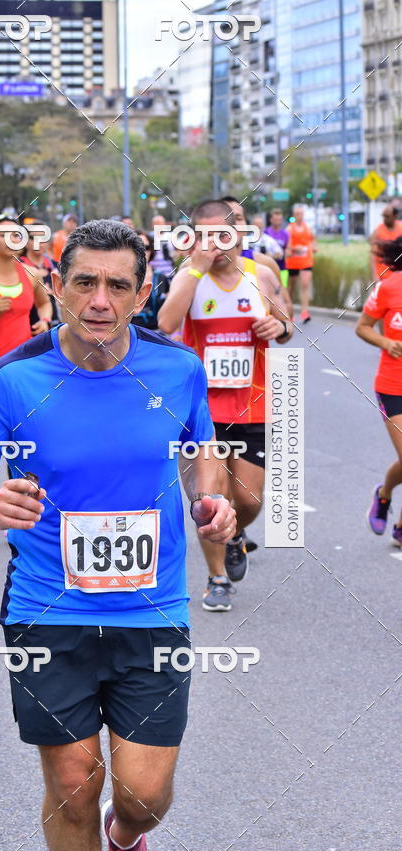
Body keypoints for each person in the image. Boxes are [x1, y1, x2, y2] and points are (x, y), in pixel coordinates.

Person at [0, 219, 236, 851]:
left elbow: (200, 448)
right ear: (56, 286)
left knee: (143, 795)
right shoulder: (15, 380)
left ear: (142, 294)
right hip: (48, 609)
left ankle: (125, 837)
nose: (100, 301)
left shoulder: (178, 369)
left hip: (151, 609)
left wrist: (211, 500)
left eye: (118, 286)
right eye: (84, 282)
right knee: (74, 782)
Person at [158, 199, 292, 609]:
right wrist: (195, 269)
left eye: (222, 234)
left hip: (251, 404)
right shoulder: (189, 275)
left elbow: (287, 324)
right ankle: (217, 579)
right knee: (210, 498)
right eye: (204, 236)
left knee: (248, 500)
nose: (214, 244)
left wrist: (278, 324)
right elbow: (165, 323)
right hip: (200, 409)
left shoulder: (261, 273)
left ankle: (235, 535)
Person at [356, 235, 402, 546]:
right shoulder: (389, 286)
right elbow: (362, 326)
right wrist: (386, 342)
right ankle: (384, 494)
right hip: (393, 386)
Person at [0, 216, 53, 373]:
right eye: (3, 235)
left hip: (24, 365)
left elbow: (44, 303)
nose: (11, 240)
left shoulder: (32, 274)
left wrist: (45, 320)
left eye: (16, 235)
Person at [130, 229, 170, 331]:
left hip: (156, 333)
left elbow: (171, 310)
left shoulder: (161, 278)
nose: (143, 252)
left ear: (151, 250)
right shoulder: (120, 278)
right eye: (137, 247)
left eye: (146, 248)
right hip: (127, 333)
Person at [286, 204, 317, 323]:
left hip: (306, 261)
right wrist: (295, 248)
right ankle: (290, 312)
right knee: (292, 288)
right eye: (297, 214)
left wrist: (314, 247)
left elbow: (313, 240)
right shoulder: (289, 229)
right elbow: (287, 246)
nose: (299, 216)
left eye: (301, 214)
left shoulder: (308, 228)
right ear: (294, 215)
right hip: (293, 262)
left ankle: (305, 312)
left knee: (305, 285)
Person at [369, 204, 402, 282]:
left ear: (395, 216)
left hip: (398, 276)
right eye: (383, 216)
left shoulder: (401, 229)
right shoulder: (377, 231)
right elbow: (373, 255)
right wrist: (374, 275)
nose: (384, 218)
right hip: (382, 276)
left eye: (387, 216)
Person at [265, 207, 290, 288]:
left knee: (284, 289)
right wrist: (272, 255)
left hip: (282, 268)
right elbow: (263, 251)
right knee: (270, 289)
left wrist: (284, 254)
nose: (278, 221)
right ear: (271, 220)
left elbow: (288, 251)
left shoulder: (285, 234)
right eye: (275, 219)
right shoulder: (266, 232)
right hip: (269, 268)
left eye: (279, 219)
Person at [149, 213, 176, 281]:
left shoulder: (171, 236)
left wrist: (174, 258)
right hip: (154, 274)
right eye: (156, 223)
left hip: (169, 273)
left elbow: (179, 250)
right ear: (152, 225)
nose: (159, 225)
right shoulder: (149, 237)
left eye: (161, 223)